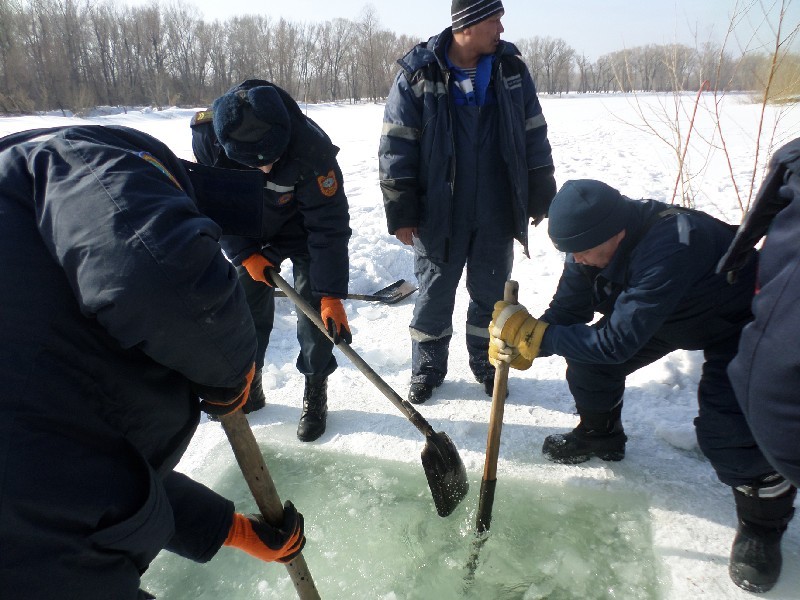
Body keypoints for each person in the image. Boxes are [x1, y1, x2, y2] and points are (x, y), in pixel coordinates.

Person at [0, 125, 305, 599]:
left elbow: (95, 467)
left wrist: (232, 530)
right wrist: (230, 364)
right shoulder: (71, 156)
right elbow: (157, 273)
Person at [488, 179, 796, 594]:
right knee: (587, 363)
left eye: (584, 252)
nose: (577, 260)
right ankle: (601, 436)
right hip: (669, 318)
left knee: (728, 433)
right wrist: (525, 342)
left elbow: (616, 343)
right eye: (571, 253)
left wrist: (539, 336)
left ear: (617, 233)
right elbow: (570, 310)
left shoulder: (670, 245)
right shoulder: (588, 242)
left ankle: (762, 528)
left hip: (738, 323)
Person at [378, 0, 556, 404]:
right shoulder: (419, 73)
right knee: (434, 295)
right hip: (438, 210)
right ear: (468, 26)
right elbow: (396, 144)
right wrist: (402, 209)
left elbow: (533, 132)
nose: (501, 29)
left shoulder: (511, 70)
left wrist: (541, 188)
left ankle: (487, 363)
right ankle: (427, 368)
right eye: (494, 21)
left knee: (491, 294)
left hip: (495, 205)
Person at [192, 79, 352, 442]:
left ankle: (315, 391)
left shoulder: (311, 147)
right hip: (250, 233)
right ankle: (252, 382)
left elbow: (328, 226)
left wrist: (331, 295)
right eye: (254, 165)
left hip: (304, 232)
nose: (265, 171)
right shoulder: (208, 139)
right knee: (245, 310)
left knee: (314, 314)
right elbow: (216, 207)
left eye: (273, 162)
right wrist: (244, 253)